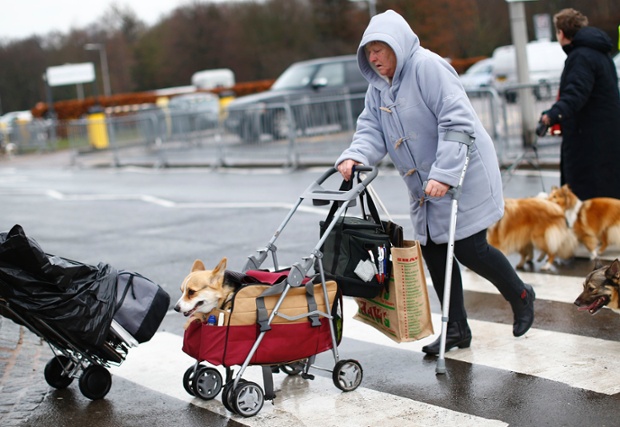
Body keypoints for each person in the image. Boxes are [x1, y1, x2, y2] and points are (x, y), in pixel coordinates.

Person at [335, 10, 535, 355]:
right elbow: (371, 128)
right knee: (435, 250)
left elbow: (457, 121)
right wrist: (356, 155)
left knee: (471, 248)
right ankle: (456, 328)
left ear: (398, 45)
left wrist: (445, 174)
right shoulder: (378, 88)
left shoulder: (428, 68)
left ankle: (520, 294)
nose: (374, 57)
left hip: (462, 171)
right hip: (424, 185)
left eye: (380, 49)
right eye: (369, 52)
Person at [540, 8, 620, 201]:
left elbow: (576, 93)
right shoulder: (599, 53)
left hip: (589, 142)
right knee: (608, 201)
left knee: (587, 202)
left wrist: (551, 115)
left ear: (561, 33)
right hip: (605, 137)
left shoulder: (581, 57)